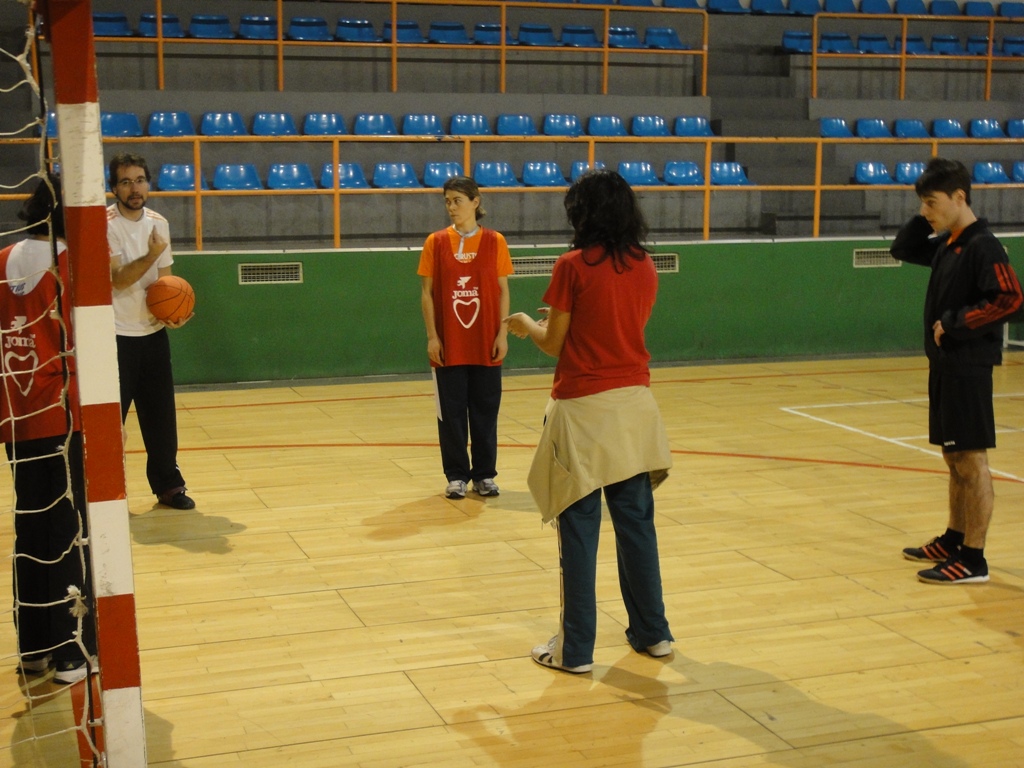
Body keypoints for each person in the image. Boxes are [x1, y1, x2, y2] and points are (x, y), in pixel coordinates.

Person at [505, 169, 674, 673]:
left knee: (578, 533)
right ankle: (653, 633)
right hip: (635, 410)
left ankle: (574, 650)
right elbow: (617, 325)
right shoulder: (646, 265)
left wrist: (525, 324)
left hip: (583, 412)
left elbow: (555, 343)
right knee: (637, 528)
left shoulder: (572, 265)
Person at [890, 157, 1022, 585]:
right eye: (923, 205)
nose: (926, 212)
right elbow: (904, 249)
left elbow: (1011, 299)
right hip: (946, 366)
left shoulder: (983, 245)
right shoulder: (951, 242)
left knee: (970, 460)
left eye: (932, 203)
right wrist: (926, 214)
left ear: (960, 197)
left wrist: (958, 324)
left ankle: (974, 559)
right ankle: (953, 537)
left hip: (968, 368)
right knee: (953, 457)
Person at [1, 174, 97, 683]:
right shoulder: (71, 267)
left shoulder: (3, 260)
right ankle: (70, 652)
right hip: (62, 414)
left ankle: (34, 649)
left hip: (16, 415)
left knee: (30, 530)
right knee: (67, 532)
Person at [107, 152, 195, 510]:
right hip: (114, 336)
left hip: (152, 334)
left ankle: (168, 486)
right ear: (114, 187)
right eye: (125, 181)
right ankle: (107, 492)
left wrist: (176, 313)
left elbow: (166, 283)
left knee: (161, 416)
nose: (134, 188)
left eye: (140, 179)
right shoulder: (104, 224)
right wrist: (150, 254)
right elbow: (116, 279)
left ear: (149, 183)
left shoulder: (159, 223)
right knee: (112, 421)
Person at [417, 176, 512, 500]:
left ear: (475, 201)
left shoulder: (495, 241)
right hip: (449, 344)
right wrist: (433, 336)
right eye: (447, 201)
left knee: (486, 410)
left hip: (486, 342)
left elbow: (502, 291)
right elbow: (427, 294)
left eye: (457, 200)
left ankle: (484, 475)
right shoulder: (435, 242)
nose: (451, 207)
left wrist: (502, 332)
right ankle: (456, 475)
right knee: (452, 413)